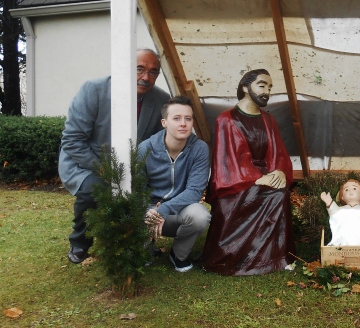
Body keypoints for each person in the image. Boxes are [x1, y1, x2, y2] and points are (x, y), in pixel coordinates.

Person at [59, 48, 169, 264]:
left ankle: (141, 243)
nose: (146, 77)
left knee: (148, 190)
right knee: (93, 191)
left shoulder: (161, 99)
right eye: (140, 69)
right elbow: (72, 141)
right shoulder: (94, 90)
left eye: (153, 72)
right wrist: (106, 171)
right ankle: (80, 242)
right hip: (87, 162)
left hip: (133, 165)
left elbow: (158, 143)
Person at [202, 69, 295, 275]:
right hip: (236, 180)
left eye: (269, 88)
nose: (266, 91)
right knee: (268, 194)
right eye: (262, 85)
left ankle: (275, 258)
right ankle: (237, 259)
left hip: (266, 175)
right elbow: (229, 159)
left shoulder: (269, 120)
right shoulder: (226, 119)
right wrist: (257, 178)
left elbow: (278, 152)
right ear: (245, 87)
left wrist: (279, 171)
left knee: (280, 193)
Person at [140, 96, 211, 273]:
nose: (183, 124)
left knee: (200, 215)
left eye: (188, 118)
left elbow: (194, 191)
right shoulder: (145, 148)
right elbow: (137, 188)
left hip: (178, 212)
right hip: (148, 211)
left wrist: (163, 210)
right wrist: (149, 210)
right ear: (164, 122)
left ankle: (179, 255)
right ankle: (146, 250)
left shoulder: (199, 149)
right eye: (177, 118)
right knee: (132, 211)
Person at [321, 179, 360, 246]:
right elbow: (334, 213)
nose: (350, 191)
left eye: (354, 188)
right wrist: (328, 202)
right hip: (342, 242)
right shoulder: (340, 210)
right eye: (346, 190)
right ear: (342, 197)